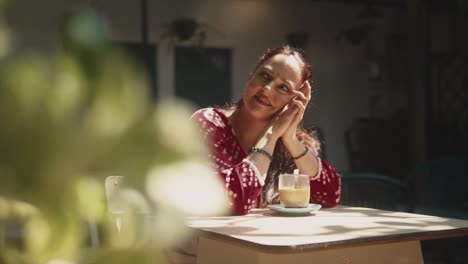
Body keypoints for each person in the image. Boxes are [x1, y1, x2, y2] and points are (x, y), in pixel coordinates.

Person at [192, 46, 341, 215]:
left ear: (295, 102)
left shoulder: (289, 143)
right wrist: (271, 136)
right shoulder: (209, 123)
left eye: (283, 87)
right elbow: (231, 199)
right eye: (264, 76)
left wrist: (290, 139)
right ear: (250, 76)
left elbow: (330, 194)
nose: (267, 89)